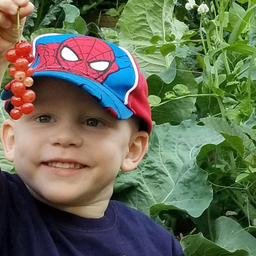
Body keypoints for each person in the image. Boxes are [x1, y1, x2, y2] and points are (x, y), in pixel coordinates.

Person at [0, 0, 185, 255]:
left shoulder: (158, 245)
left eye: (93, 122)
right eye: (44, 118)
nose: (64, 137)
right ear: (10, 139)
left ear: (132, 149)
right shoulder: (7, 209)